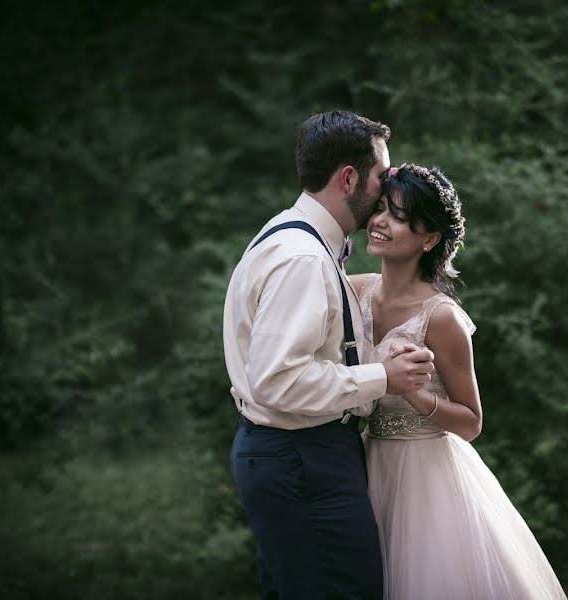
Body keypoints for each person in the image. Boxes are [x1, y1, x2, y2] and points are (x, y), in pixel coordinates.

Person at [224, 112, 436, 600]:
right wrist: (380, 377)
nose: (386, 190)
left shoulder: (289, 237)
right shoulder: (302, 258)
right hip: (302, 459)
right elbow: (278, 382)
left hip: (295, 456)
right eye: (382, 176)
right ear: (348, 178)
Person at [349, 163, 568, 599]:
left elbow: (471, 422)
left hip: (429, 478)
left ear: (429, 239)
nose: (379, 222)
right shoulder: (354, 291)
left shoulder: (441, 317)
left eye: (397, 216)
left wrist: (413, 393)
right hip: (369, 466)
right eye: (380, 210)